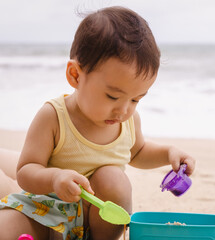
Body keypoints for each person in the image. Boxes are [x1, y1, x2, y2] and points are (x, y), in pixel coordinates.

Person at [0, 6, 195, 240]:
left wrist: (168, 153)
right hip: (45, 212)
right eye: (113, 96)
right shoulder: (53, 116)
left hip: (96, 222)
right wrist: (55, 178)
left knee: (113, 178)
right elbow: (26, 171)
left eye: (136, 99)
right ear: (75, 75)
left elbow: (139, 151)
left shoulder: (128, 120)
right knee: (6, 227)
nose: (123, 110)